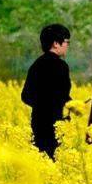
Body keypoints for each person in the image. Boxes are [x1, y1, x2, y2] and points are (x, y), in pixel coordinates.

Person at [20, 23, 72, 160]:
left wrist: (41, 106)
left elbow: (25, 96)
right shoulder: (61, 66)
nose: (68, 45)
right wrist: (73, 105)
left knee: (40, 163)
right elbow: (62, 96)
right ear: (56, 43)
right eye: (67, 42)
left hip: (38, 123)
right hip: (56, 125)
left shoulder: (36, 65)